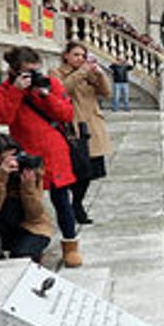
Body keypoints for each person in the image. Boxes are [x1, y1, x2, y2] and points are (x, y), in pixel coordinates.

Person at [0, 45, 83, 267]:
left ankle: (70, 246)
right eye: (27, 72)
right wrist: (16, 90)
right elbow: (3, 118)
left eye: (36, 70)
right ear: (14, 71)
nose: (33, 76)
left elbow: (67, 113)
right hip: (27, 152)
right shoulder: (6, 89)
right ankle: (33, 246)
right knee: (29, 203)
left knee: (62, 201)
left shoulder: (49, 84)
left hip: (54, 152)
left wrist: (45, 95)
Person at [0, 133, 53, 262]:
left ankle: (34, 254)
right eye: (2, 159)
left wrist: (28, 187)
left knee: (21, 258)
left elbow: (35, 215)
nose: (10, 162)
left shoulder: (29, 169)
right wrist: (1, 175)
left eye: (13, 156)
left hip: (31, 225)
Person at [56, 42, 112, 225]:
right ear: (66, 56)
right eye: (76, 55)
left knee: (90, 172)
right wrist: (81, 72)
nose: (80, 59)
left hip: (93, 125)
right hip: (73, 127)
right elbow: (62, 89)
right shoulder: (57, 73)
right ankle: (74, 207)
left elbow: (106, 92)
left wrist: (100, 75)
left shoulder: (88, 73)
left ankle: (77, 203)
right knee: (78, 170)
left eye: (83, 55)